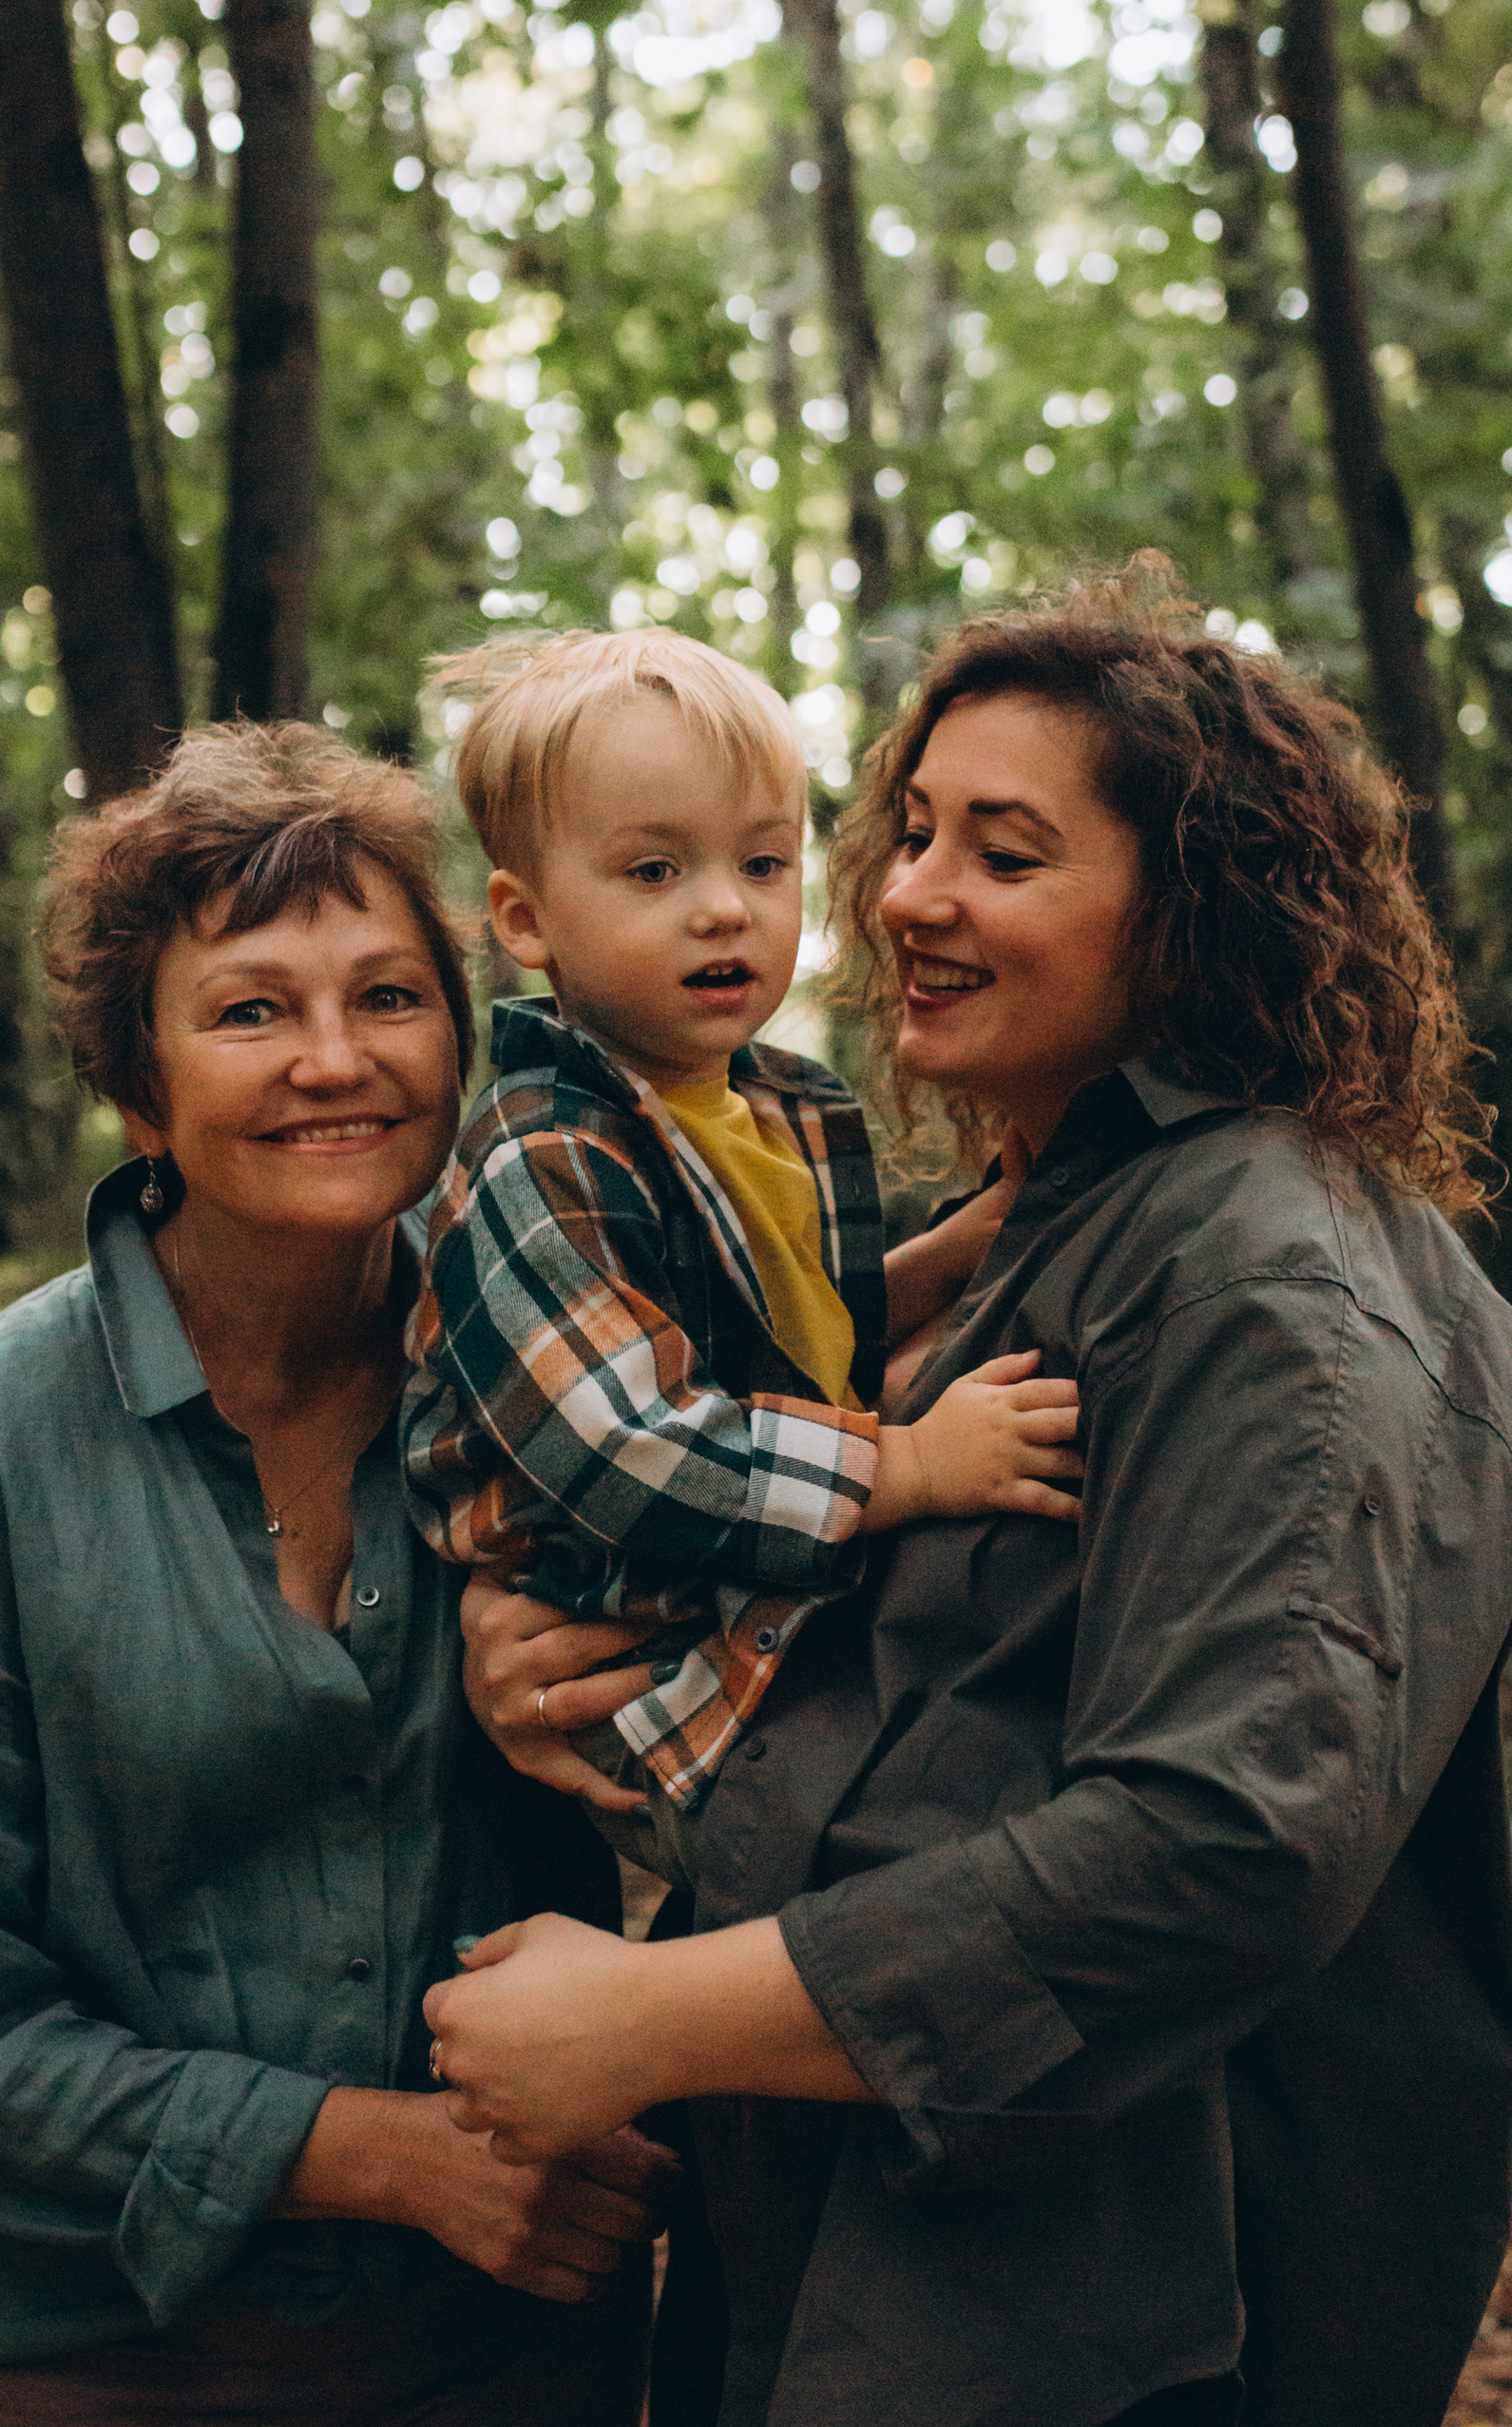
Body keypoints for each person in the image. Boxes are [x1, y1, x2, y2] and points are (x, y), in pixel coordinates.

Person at [427, 569, 1512, 2427]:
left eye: (1009, 850)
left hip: (1058, 2364)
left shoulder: (1278, 1287)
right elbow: (870, 1618)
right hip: (858, 2255)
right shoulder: (1064, 1214)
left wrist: (646, 2023)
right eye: (913, 832)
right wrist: (550, 1649)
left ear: (1196, 904)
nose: (912, 897)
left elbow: (1220, 1846)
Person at [0, 724, 668, 2427]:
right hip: (111, 2369)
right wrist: (375, 2152)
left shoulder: (566, 1395)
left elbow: (792, 1716)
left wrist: (624, 1728)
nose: (332, 1059)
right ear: (140, 1081)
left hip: (502, 2336)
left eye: (386, 998)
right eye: (250, 1009)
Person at [402, 626, 1082, 1892]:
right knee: (988, 1859)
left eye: (764, 862)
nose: (725, 906)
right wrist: (916, 1464)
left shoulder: (777, 1107)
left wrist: (972, 1244)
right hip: (652, 1680)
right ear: (528, 919)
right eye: (653, 871)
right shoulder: (541, 1158)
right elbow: (640, 1449)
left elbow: (803, 1334)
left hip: (770, 1618)